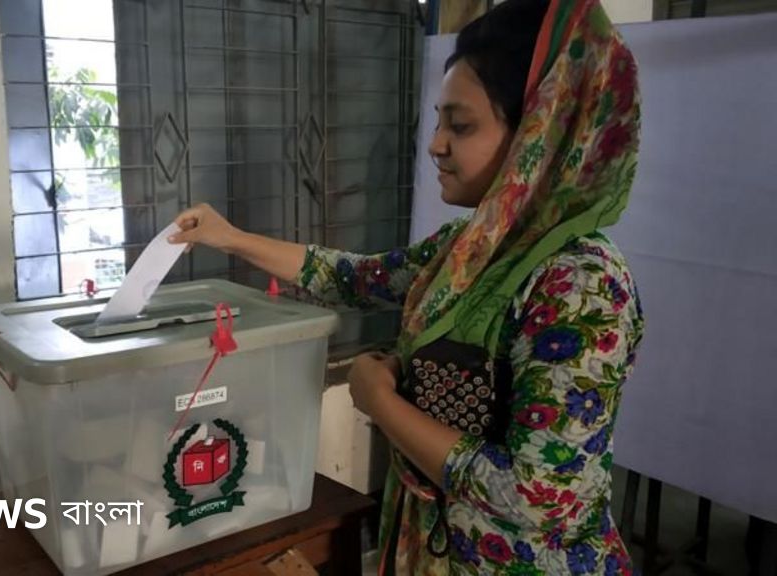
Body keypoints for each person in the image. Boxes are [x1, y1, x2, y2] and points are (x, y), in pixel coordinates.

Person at [169, 0, 644, 573]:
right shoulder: (466, 250)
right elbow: (352, 278)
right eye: (438, 122)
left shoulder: (581, 284)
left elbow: (538, 496)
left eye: (460, 126)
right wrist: (229, 237)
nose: (436, 145)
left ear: (540, 134)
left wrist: (380, 402)